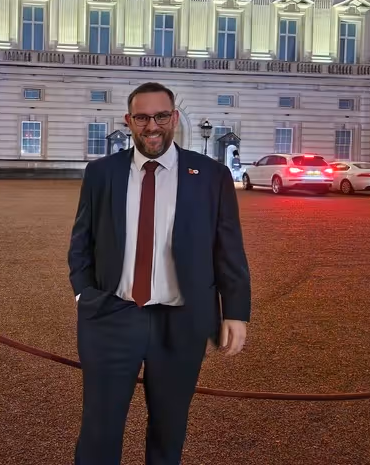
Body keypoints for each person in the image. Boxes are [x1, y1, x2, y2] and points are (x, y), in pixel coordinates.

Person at [68, 81, 251, 465]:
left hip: (181, 320)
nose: (152, 126)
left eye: (161, 116)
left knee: (169, 429)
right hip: (113, 315)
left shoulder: (212, 175)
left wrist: (235, 310)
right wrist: (84, 293)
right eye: (142, 118)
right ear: (128, 121)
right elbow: (81, 240)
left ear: (174, 118)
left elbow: (228, 246)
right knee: (99, 429)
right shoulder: (102, 173)